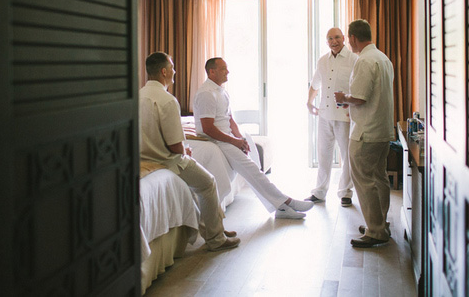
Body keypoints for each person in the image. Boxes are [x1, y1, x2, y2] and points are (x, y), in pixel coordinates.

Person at [140, 52, 240, 252]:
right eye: (173, 67)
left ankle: (215, 227)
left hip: (144, 157)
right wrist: (185, 149)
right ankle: (215, 238)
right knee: (208, 183)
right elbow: (175, 145)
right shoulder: (167, 100)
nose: (175, 71)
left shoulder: (138, 95)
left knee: (201, 185)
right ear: (164, 71)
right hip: (167, 160)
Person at [193, 57, 314, 219]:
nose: (227, 72)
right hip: (216, 139)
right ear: (212, 72)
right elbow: (207, 128)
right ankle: (286, 202)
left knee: (254, 170)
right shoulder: (206, 94)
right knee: (252, 170)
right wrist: (234, 141)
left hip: (226, 137)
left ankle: (282, 206)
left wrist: (240, 138)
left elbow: (229, 119)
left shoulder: (221, 91)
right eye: (223, 69)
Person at [334, 19, 395, 248]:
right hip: (382, 130)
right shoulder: (383, 58)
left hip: (366, 132)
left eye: (348, 38)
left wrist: (343, 99)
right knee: (380, 179)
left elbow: (360, 97)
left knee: (364, 181)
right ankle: (380, 222)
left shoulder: (364, 61)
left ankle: (375, 230)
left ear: (353, 38)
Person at [305, 27, 357, 207]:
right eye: (330, 39)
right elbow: (315, 84)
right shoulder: (322, 61)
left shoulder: (354, 60)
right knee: (323, 155)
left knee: (347, 156)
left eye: (336, 38)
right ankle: (319, 192)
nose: (333, 41)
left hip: (345, 116)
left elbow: (358, 88)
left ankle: (345, 193)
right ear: (326, 41)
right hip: (324, 115)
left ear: (344, 38)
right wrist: (309, 102)